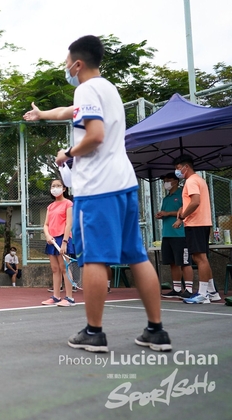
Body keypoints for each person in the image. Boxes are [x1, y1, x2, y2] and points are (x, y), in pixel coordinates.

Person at [23, 35, 170, 353]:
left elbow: (96, 135)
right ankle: (156, 330)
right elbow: (70, 111)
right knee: (137, 256)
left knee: (94, 259)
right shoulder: (107, 89)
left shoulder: (86, 88)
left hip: (99, 188)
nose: (66, 69)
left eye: (66, 64)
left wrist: (68, 153)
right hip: (124, 183)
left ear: (77, 64)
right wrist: (43, 114)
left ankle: (94, 332)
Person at [173, 155, 221, 304]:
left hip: (196, 223)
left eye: (178, 168)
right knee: (201, 258)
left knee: (200, 258)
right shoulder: (200, 180)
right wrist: (183, 212)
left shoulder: (191, 181)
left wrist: (182, 216)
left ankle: (202, 294)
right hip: (202, 222)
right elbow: (191, 202)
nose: (177, 171)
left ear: (185, 167)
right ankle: (212, 292)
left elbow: (195, 202)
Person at [155, 173, 194, 299]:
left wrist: (168, 213)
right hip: (167, 234)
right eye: (164, 180)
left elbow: (185, 210)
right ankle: (176, 288)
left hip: (180, 234)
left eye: (169, 180)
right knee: (172, 262)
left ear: (176, 181)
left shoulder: (183, 194)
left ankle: (188, 288)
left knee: (184, 262)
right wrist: (162, 215)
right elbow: (168, 214)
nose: (166, 182)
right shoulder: (166, 198)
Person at [41, 179, 76, 307]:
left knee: (64, 268)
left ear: (64, 188)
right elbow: (45, 224)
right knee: (55, 269)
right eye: (53, 186)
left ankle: (69, 298)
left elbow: (69, 224)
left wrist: (65, 242)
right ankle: (56, 297)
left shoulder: (68, 203)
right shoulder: (50, 206)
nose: (55, 188)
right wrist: (48, 235)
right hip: (52, 240)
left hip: (63, 239)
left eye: (58, 186)